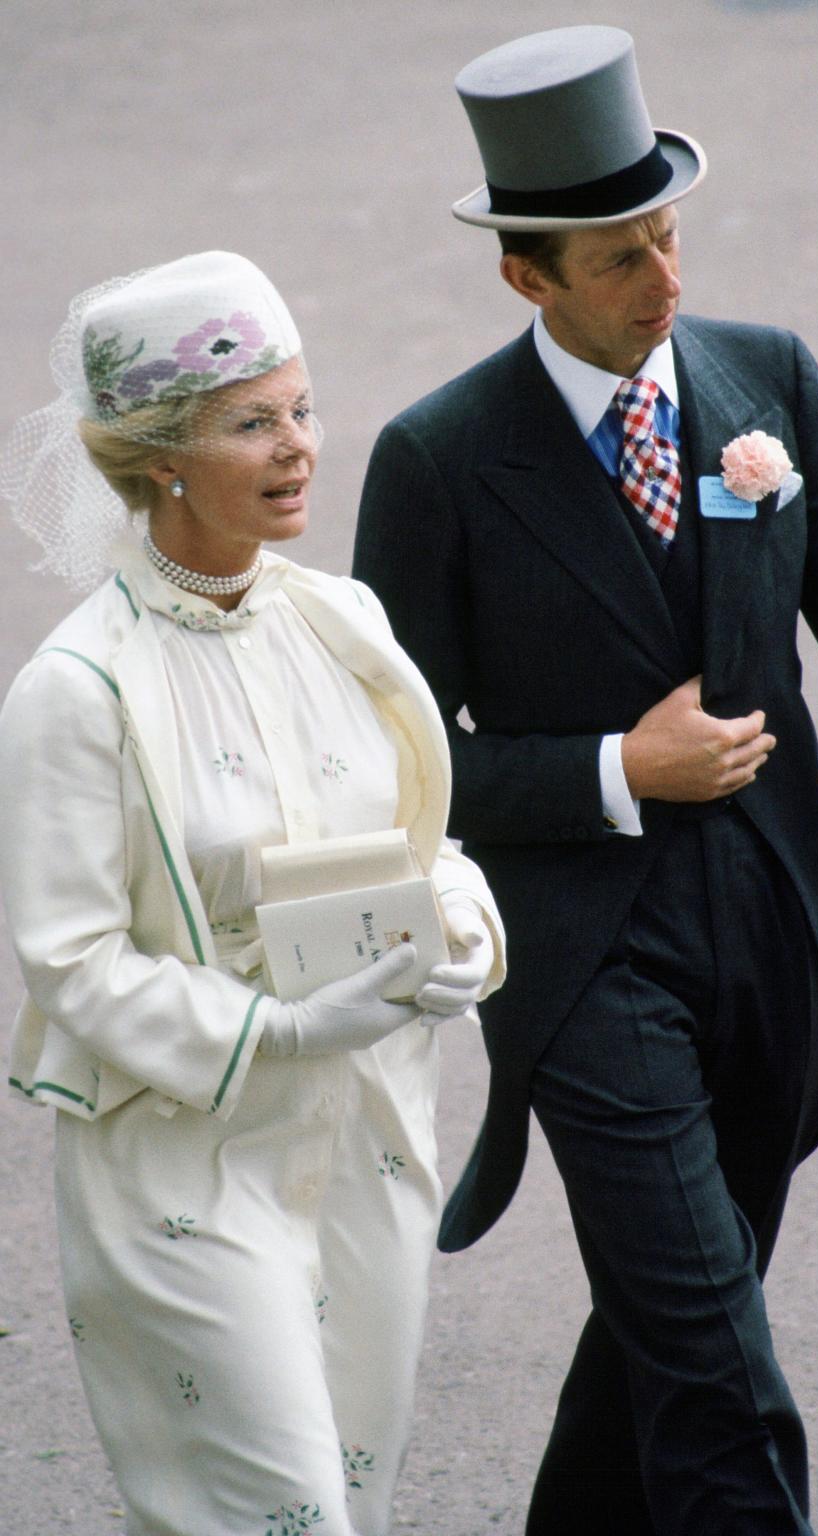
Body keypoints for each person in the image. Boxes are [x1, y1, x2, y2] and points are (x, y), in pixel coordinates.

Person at [352, 25, 818, 1536]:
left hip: (775, 944)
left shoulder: (770, 381)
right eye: (620, 259)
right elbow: (397, 776)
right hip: (584, 970)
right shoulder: (436, 462)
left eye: (669, 238)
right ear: (527, 276)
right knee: (720, 1382)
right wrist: (623, 766)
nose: (665, 283)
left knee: (666, 1340)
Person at [0, 249, 505, 1536]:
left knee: (354, 1498)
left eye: (303, 410)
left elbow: (427, 844)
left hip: (367, 1148)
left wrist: (463, 932)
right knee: (281, 1518)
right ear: (159, 455)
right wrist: (275, 1030)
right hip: (182, 1168)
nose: (299, 450)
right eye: (251, 423)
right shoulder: (77, 689)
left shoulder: (342, 623)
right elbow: (69, 958)